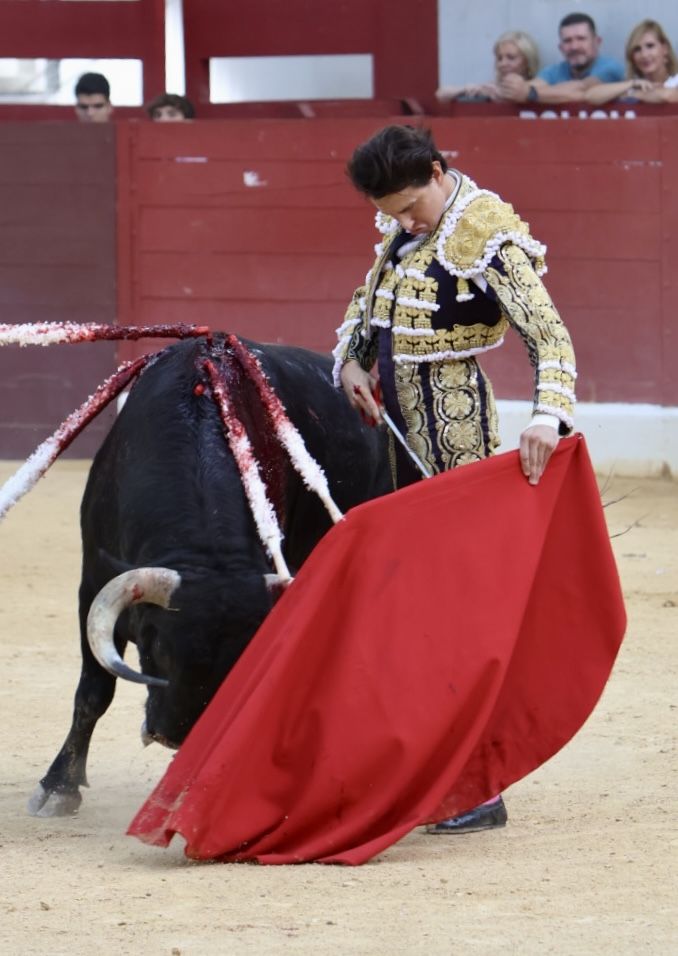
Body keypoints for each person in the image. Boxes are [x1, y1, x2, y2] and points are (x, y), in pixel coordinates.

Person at [334, 124, 576, 833]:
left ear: (439, 172)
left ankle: (477, 785)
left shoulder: (485, 231)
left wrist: (548, 416)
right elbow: (369, 303)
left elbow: (550, 334)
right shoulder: (406, 227)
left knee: (456, 600)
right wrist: (349, 361)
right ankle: (420, 756)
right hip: (394, 436)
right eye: (394, 210)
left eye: (412, 205)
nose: (403, 221)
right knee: (407, 598)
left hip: (454, 428)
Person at [498, 12, 624, 104]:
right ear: (561, 47)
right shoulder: (554, 70)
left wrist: (530, 94)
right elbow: (529, 86)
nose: (574, 46)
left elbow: (584, 89)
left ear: (597, 42)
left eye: (581, 39)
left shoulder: (611, 67)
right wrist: (498, 91)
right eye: (567, 41)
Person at [582, 20, 678, 106]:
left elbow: (667, 96)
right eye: (637, 49)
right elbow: (591, 96)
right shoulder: (635, 85)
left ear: (665, 49)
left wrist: (632, 94)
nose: (644, 55)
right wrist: (632, 84)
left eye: (650, 46)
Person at [436, 30, 540, 102]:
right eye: (499, 58)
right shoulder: (491, 88)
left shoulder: (541, 88)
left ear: (527, 61)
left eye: (511, 58)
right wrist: (469, 89)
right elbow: (440, 95)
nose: (503, 63)